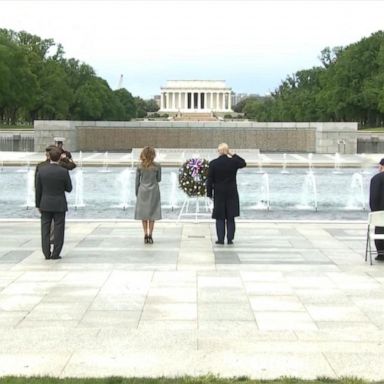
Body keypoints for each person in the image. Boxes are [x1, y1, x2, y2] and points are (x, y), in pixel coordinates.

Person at [35, 147, 73, 260]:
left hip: (45, 204)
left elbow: (38, 190)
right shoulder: (63, 171)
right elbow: (69, 188)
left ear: (49, 157)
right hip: (59, 204)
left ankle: (46, 253)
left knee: (45, 229)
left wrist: (38, 204)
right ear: (59, 158)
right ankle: (56, 254)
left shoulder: (41, 170)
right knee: (59, 229)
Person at [206, 143, 246, 245]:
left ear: (219, 151)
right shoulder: (233, 162)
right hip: (231, 192)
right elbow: (243, 163)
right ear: (227, 151)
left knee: (220, 217)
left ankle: (220, 239)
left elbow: (209, 180)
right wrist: (232, 154)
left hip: (219, 192)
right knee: (230, 216)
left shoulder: (213, 163)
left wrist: (209, 193)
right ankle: (230, 239)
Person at [134, 146, 162, 244]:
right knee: (152, 214)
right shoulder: (157, 166)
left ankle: (145, 234)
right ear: (153, 155)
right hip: (154, 190)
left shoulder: (139, 166)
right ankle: (151, 235)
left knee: (144, 214)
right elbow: (159, 179)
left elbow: (137, 181)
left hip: (142, 191)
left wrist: (136, 193)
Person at [369, 158, 384, 261]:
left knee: (380, 230)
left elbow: (373, 198)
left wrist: (375, 212)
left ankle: (381, 254)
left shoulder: (376, 179)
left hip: (380, 215)